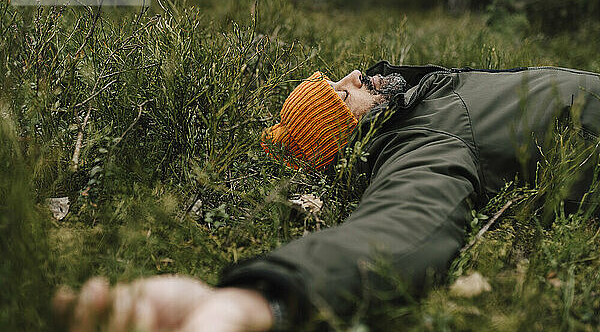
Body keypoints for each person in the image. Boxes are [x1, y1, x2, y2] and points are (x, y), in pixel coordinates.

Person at [54, 62, 600, 332]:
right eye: (341, 95)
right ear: (348, 135)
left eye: (340, 80)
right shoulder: (423, 139)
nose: (354, 75)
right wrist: (260, 299)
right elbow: (401, 229)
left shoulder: (419, 102)